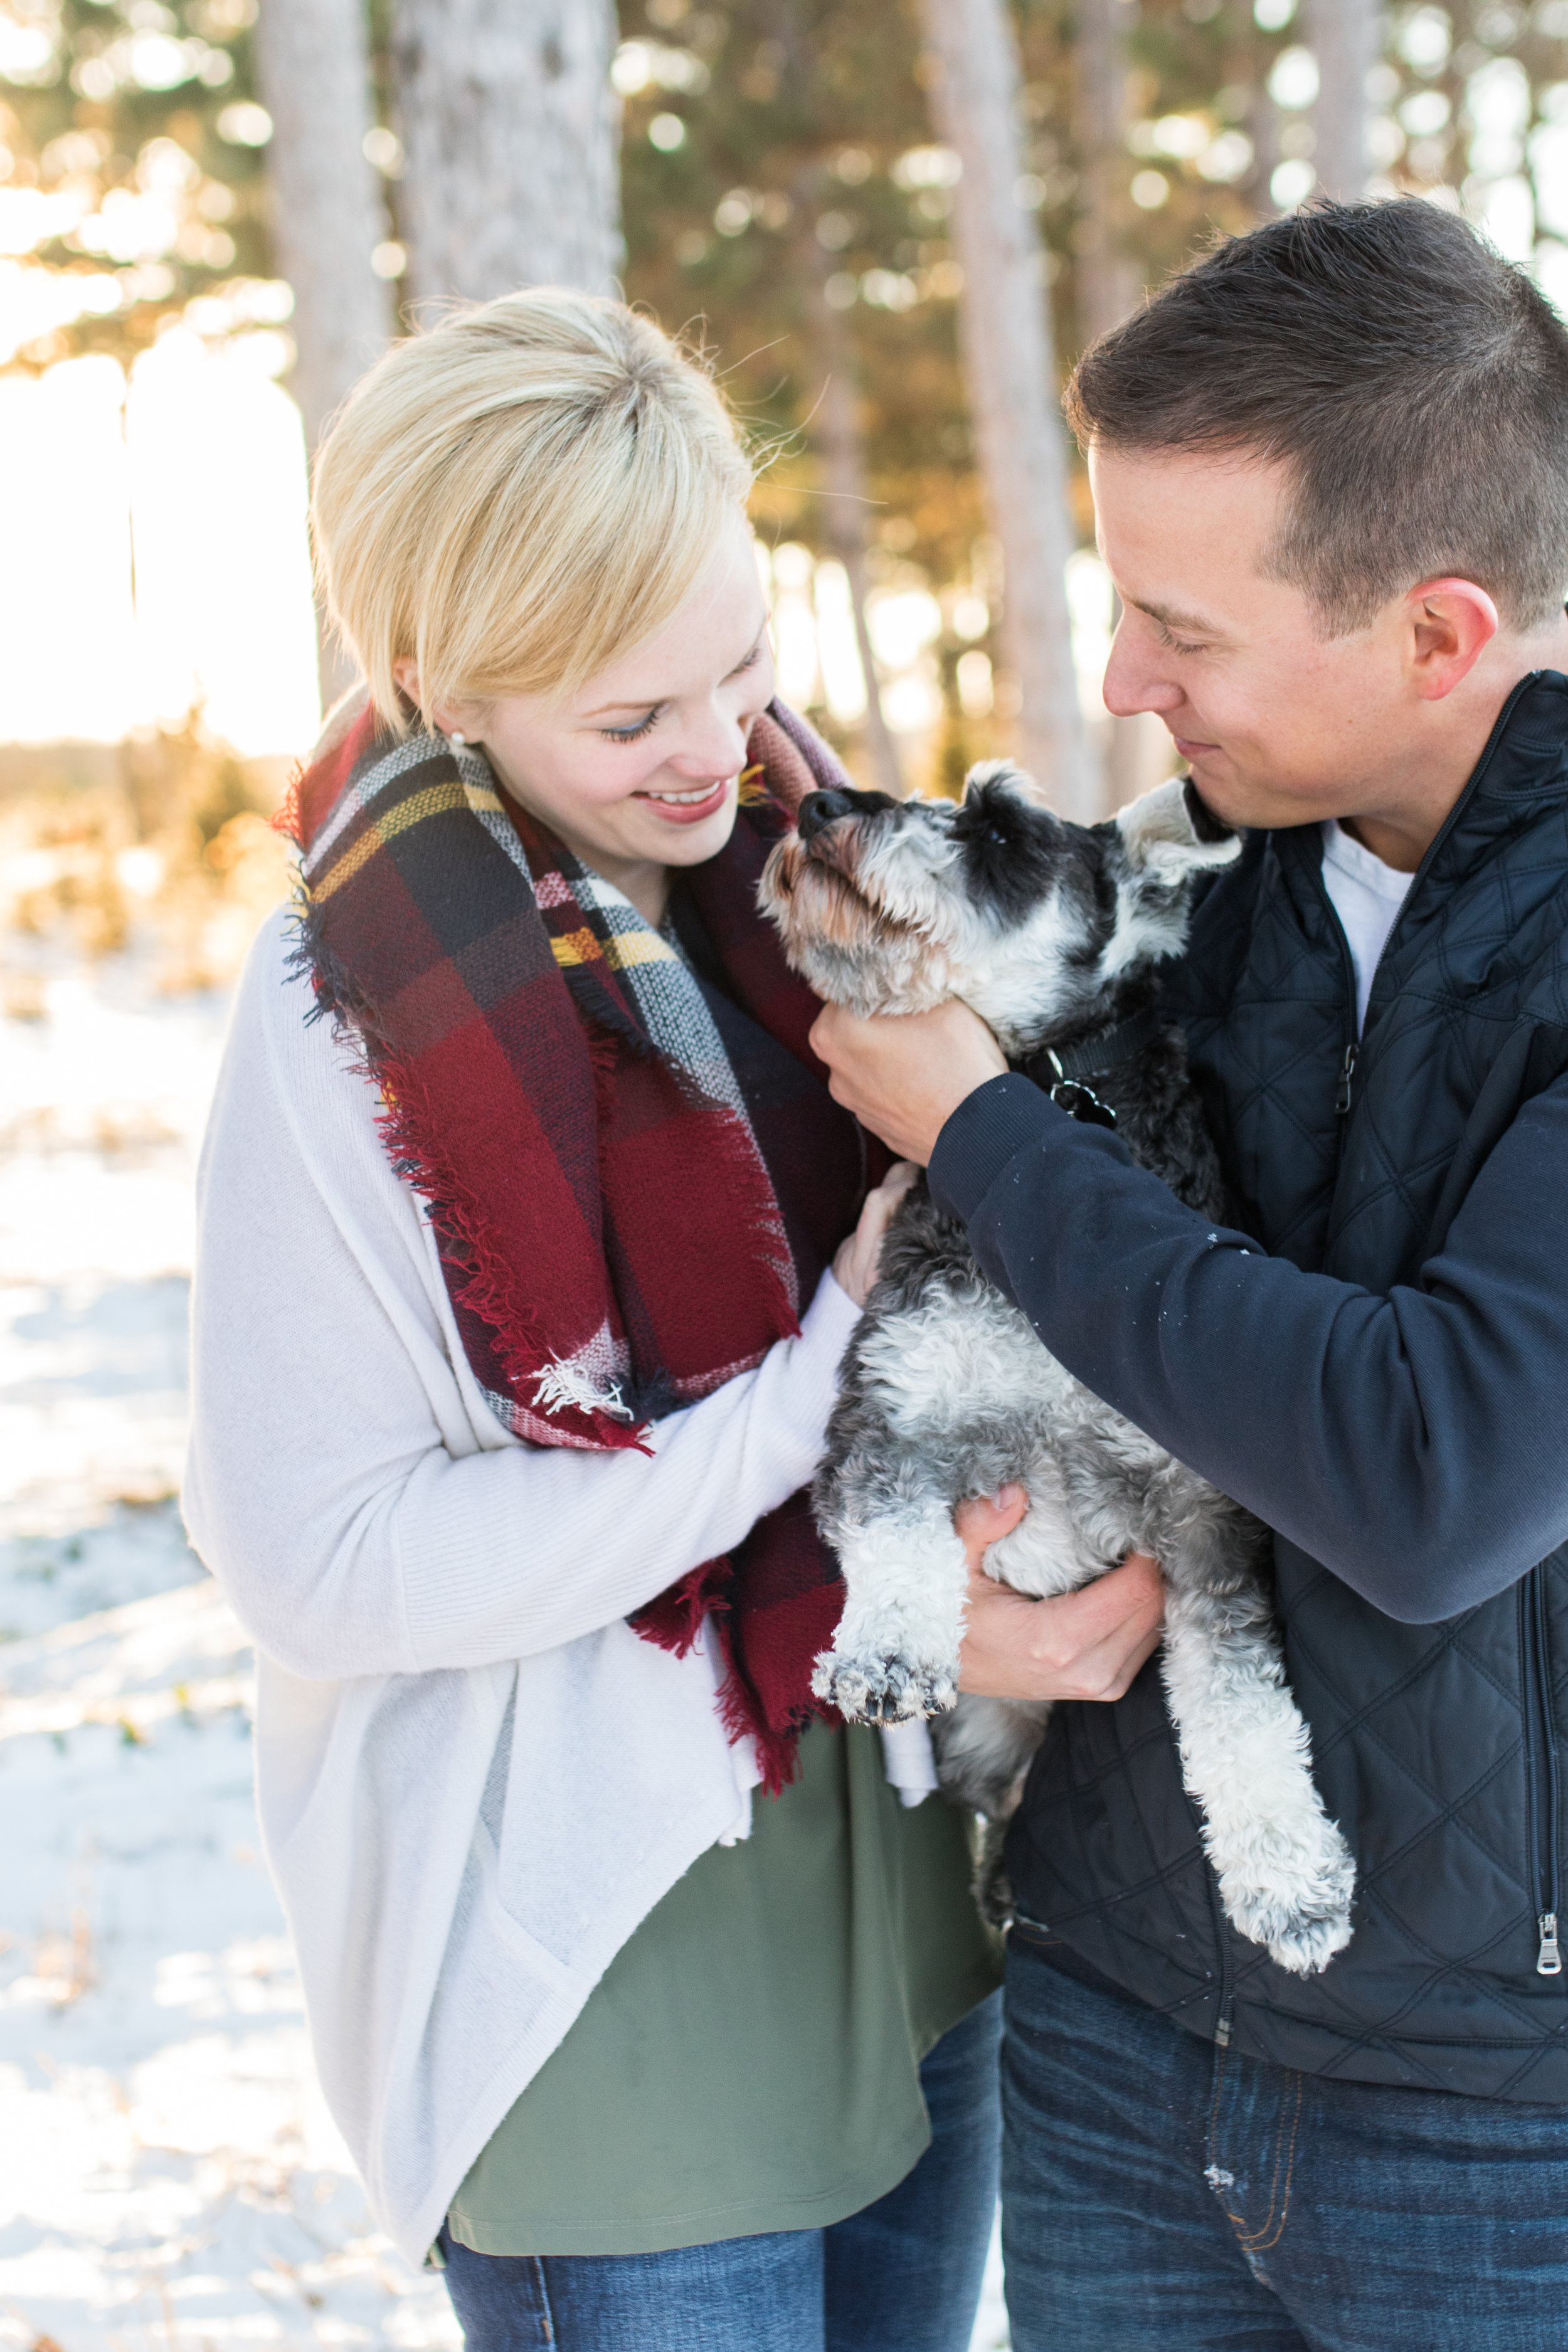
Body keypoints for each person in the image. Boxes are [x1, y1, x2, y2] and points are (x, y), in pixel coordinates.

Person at [181, 290, 1005, 2352]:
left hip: (903, 1890)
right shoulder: (344, 1023)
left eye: (738, 665)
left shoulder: (826, 886)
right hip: (607, 1952)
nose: (715, 750)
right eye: (629, 719)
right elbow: (320, 1559)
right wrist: (801, 1400)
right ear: (438, 682)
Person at [810, 199, 1568, 2349]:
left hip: (1502, 2136)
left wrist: (977, 1131)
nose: (1124, 686)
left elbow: (1432, 1473)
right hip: (1110, 2042)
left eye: (1182, 629)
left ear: (1435, 633)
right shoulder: (1174, 896)